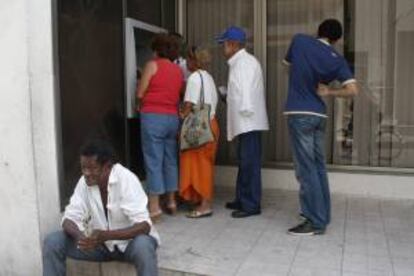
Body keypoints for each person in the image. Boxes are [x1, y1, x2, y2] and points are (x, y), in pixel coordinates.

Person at [283, 19, 358, 235]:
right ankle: (322, 214)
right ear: (336, 40)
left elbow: (286, 65)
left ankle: (314, 221)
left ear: (319, 31)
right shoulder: (337, 59)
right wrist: (329, 93)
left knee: (306, 169)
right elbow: (353, 90)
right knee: (317, 166)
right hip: (319, 114)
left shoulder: (299, 41)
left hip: (299, 113)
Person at [42, 140, 160, 276]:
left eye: (92, 168)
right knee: (53, 242)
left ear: (107, 167)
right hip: (100, 246)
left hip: (129, 244)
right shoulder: (84, 182)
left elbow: (144, 226)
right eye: (83, 168)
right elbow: (68, 219)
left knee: (143, 246)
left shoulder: (126, 179)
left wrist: (107, 235)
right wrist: (81, 237)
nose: (86, 173)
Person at [216, 26, 269, 218]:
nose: (223, 48)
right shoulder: (241, 62)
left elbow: (246, 94)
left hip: (248, 122)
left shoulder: (244, 63)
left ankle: (251, 205)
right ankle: (242, 199)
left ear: (232, 44)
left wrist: (241, 109)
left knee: (249, 163)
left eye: (224, 44)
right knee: (244, 162)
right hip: (246, 121)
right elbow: (242, 91)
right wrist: (228, 97)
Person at [136, 34, 184, 220]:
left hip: (153, 118)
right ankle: (171, 201)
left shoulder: (151, 65)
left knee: (153, 160)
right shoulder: (178, 71)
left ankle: (154, 207)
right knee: (170, 159)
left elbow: (141, 92)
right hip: (172, 118)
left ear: (157, 50)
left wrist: (139, 96)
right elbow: (178, 93)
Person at [179, 46, 219, 218]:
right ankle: (200, 200)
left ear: (195, 60)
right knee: (204, 164)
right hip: (211, 125)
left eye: (188, 58)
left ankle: (205, 205)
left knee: (198, 165)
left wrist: (181, 115)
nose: (186, 62)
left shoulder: (194, 78)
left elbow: (189, 105)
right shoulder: (209, 78)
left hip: (199, 127)